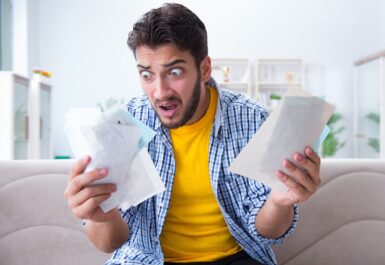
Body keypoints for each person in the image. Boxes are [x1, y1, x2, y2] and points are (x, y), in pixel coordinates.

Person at [64, 3, 321, 265]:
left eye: (174, 72)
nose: (160, 91)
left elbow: (267, 232)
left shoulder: (251, 118)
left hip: (236, 258)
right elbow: (113, 242)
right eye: (147, 75)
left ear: (205, 69)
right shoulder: (124, 125)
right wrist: (102, 216)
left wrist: (279, 203)